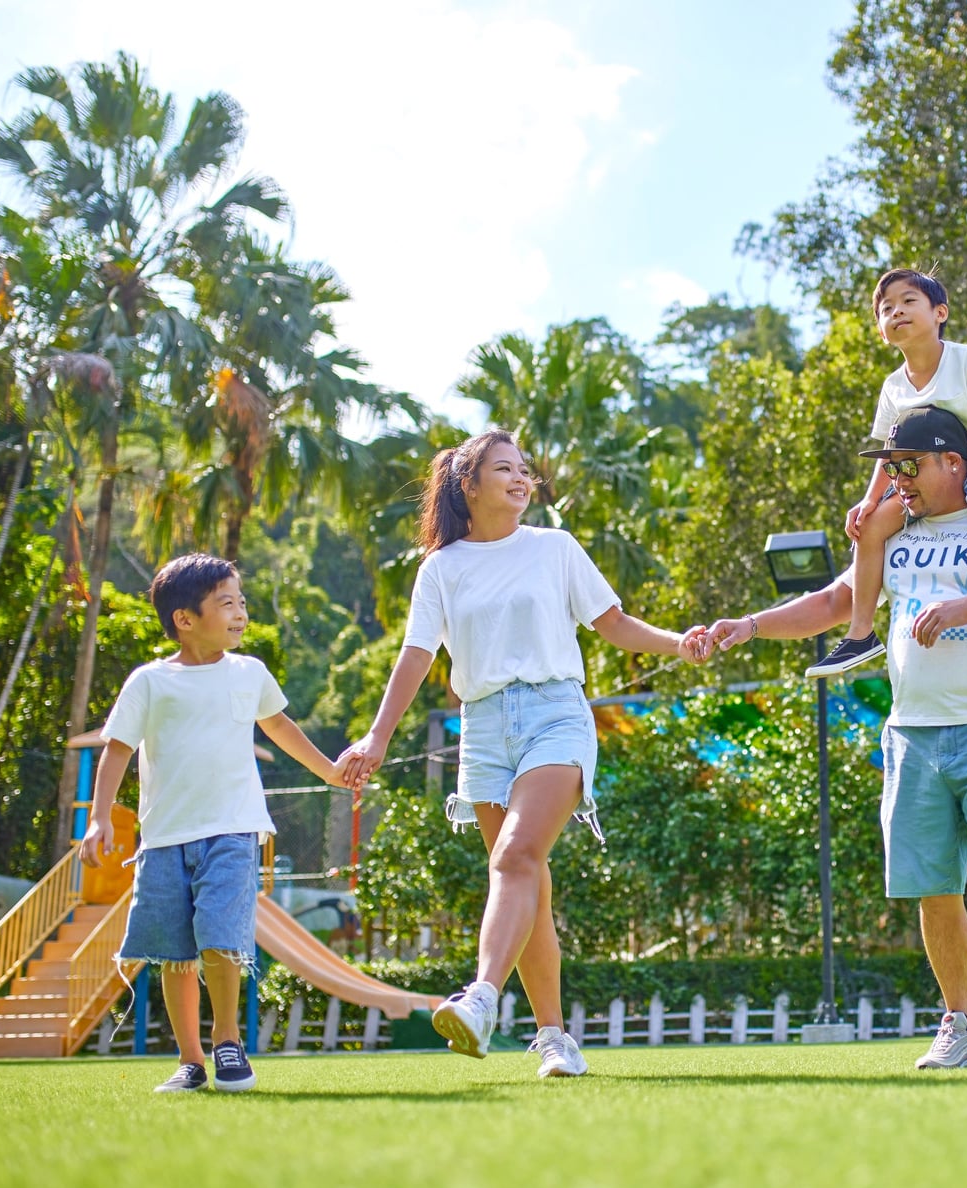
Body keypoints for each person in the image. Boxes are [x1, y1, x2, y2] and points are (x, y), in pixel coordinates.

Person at [703, 407, 967, 1071]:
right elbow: (830, 604)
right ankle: (958, 1022)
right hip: (912, 737)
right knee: (934, 889)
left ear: (953, 464)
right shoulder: (891, 536)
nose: (894, 478)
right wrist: (751, 624)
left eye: (907, 464)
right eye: (888, 466)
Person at [337, 429, 710, 1078]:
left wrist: (680, 644)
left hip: (554, 715)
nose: (519, 478)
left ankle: (481, 998)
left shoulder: (553, 548)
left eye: (523, 469)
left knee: (514, 857)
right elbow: (416, 655)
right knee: (524, 879)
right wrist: (376, 736)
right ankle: (554, 1037)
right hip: (481, 730)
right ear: (467, 486)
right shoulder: (441, 569)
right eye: (501, 468)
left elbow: (612, 624)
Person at [81, 553, 345, 1094]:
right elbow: (116, 751)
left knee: (221, 938)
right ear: (185, 618)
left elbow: (281, 728)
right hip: (163, 840)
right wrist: (99, 818)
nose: (241, 613)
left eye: (242, 602)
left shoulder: (250, 673)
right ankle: (191, 1059)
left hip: (233, 829)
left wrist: (332, 772)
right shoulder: (149, 682)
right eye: (227, 603)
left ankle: (228, 1039)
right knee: (175, 951)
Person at [807, 268, 967, 679]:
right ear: (880, 330)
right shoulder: (893, 386)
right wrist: (870, 500)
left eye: (909, 301)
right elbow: (889, 455)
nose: (897, 312)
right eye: (886, 308)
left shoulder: (966, 359)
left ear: (940, 312)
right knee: (871, 526)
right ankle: (860, 634)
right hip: (925, 471)